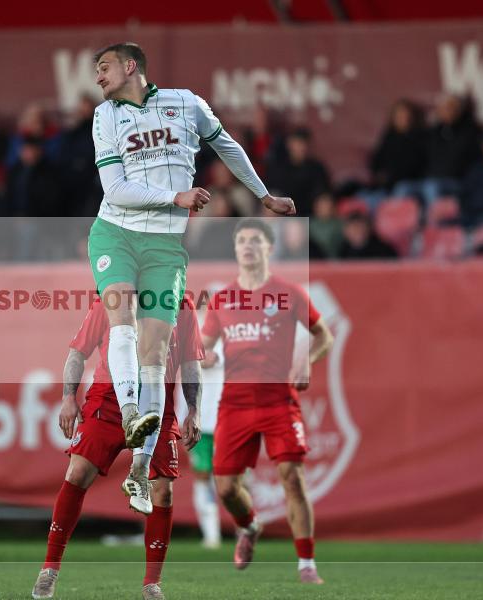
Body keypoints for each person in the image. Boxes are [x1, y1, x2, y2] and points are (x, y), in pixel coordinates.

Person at [87, 42, 295, 512]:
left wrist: (263, 197)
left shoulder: (187, 103)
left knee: (156, 350)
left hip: (165, 246)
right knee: (121, 316)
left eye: (103, 67)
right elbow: (115, 189)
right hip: (116, 233)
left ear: (130, 66)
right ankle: (130, 411)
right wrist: (176, 197)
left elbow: (228, 146)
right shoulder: (105, 117)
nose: (98, 76)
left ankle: (139, 471)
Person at [32, 296, 203, 600]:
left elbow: (191, 362)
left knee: (163, 489)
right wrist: (68, 397)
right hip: (108, 400)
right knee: (78, 471)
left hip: (157, 404)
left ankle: (152, 585)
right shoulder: (113, 294)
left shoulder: (182, 302)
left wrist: (194, 409)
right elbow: (77, 353)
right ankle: (49, 570)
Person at [201, 218, 334, 585]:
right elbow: (205, 347)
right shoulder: (222, 299)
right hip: (235, 403)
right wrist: (203, 356)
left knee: (292, 476)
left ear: (268, 248)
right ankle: (249, 526)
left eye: (254, 240)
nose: (247, 246)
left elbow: (325, 336)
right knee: (226, 487)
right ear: (235, 249)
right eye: (241, 240)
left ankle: (306, 564)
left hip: (278, 401)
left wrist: (307, 358)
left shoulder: (289, 293)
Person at [191, 300, 224, 549]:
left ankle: (245, 527)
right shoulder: (194, 330)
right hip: (201, 418)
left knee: (232, 477)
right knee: (202, 475)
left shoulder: (238, 333)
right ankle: (211, 535)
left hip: (230, 418)